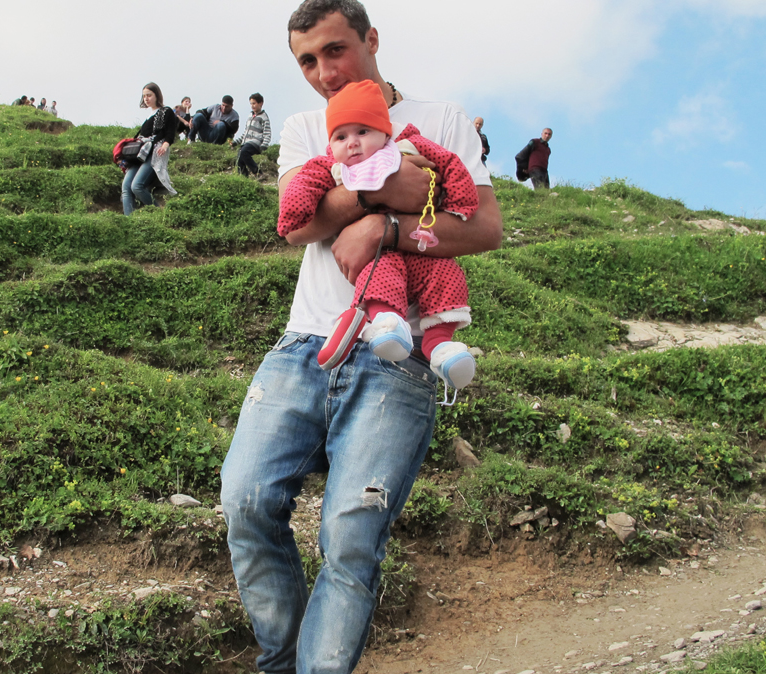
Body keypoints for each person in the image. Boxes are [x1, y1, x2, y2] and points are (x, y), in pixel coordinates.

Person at [218, 2, 502, 673]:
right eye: (306, 61)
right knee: (245, 502)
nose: (323, 73)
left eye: (335, 50)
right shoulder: (302, 127)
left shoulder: (443, 120)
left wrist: (389, 230)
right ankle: (282, 661)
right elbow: (298, 223)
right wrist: (383, 191)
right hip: (302, 346)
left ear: (372, 39)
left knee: (351, 541)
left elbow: (484, 228)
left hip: (397, 357)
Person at [276, 79, 478, 389]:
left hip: (420, 248)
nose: (352, 143)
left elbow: (449, 162)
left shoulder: (407, 147)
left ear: (385, 132)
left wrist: (461, 201)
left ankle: (441, 346)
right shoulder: (332, 166)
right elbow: (305, 184)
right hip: (378, 256)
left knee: (445, 275)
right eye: (341, 136)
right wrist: (291, 214)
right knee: (379, 273)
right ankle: (387, 324)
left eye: (363, 131)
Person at [121, 82, 177, 216]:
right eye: (144, 96)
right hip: (140, 154)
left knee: (137, 186)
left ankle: (159, 213)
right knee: (126, 187)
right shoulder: (148, 117)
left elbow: (171, 131)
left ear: (157, 95)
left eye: (149, 95)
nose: (146, 98)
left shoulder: (165, 111)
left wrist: (165, 145)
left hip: (154, 152)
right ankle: (129, 221)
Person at [235, 93, 272, 176]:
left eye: (254, 103)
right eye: (251, 104)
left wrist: (264, 145)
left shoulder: (264, 117)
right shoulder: (250, 116)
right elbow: (245, 132)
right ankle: (243, 177)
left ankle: (258, 173)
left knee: (244, 152)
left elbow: (267, 132)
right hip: (246, 142)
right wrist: (236, 142)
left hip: (255, 142)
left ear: (260, 103)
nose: (252, 106)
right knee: (239, 158)